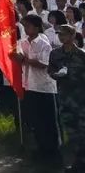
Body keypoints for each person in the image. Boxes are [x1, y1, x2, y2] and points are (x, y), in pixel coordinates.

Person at [15, 13, 60, 160]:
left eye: (28, 26)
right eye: (24, 26)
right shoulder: (23, 42)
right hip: (29, 84)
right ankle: (40, 147)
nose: (26, 29)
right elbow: (19, 58)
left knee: (48, 119)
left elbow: (44, 64)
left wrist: (25, 60)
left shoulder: (43, 43)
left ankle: (52, 149)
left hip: (43, 86)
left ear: (36, 27)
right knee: (35, 119)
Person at [50, 23, 85, 172]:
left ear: (72, 36)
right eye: (59, 34)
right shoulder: (55, 54)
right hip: (64, 99)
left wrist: (74, 76)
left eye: (64, 34)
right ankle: (75, 163)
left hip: (81, 100)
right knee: (70, 133)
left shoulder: (81, 55)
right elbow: (50, 69)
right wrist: (56, 74)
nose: (61, 37)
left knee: (82, 132)